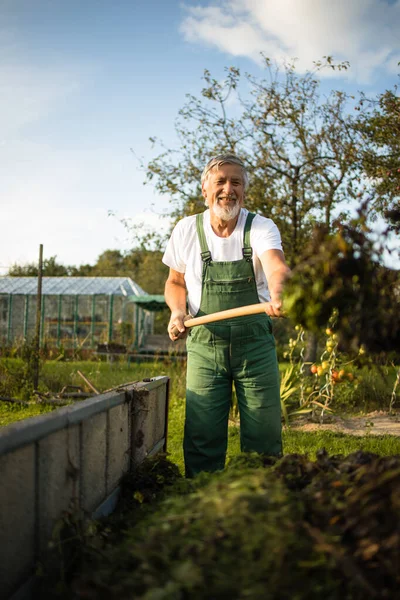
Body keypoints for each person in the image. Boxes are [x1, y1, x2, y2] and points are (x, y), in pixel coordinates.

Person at [162, 153, 291, 478]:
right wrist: (178, 311)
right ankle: (202, 504)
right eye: (220, 181)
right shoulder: (186, 230)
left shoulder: (260, 227)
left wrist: (279, 292)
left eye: (236, 182)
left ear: (244, 190)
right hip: (206, 346)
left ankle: (260, 504)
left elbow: (276, 266)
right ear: (205, 189)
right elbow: (175, 282)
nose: (228, 189)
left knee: (264, 435)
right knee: (202, 434)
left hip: (255, 347)